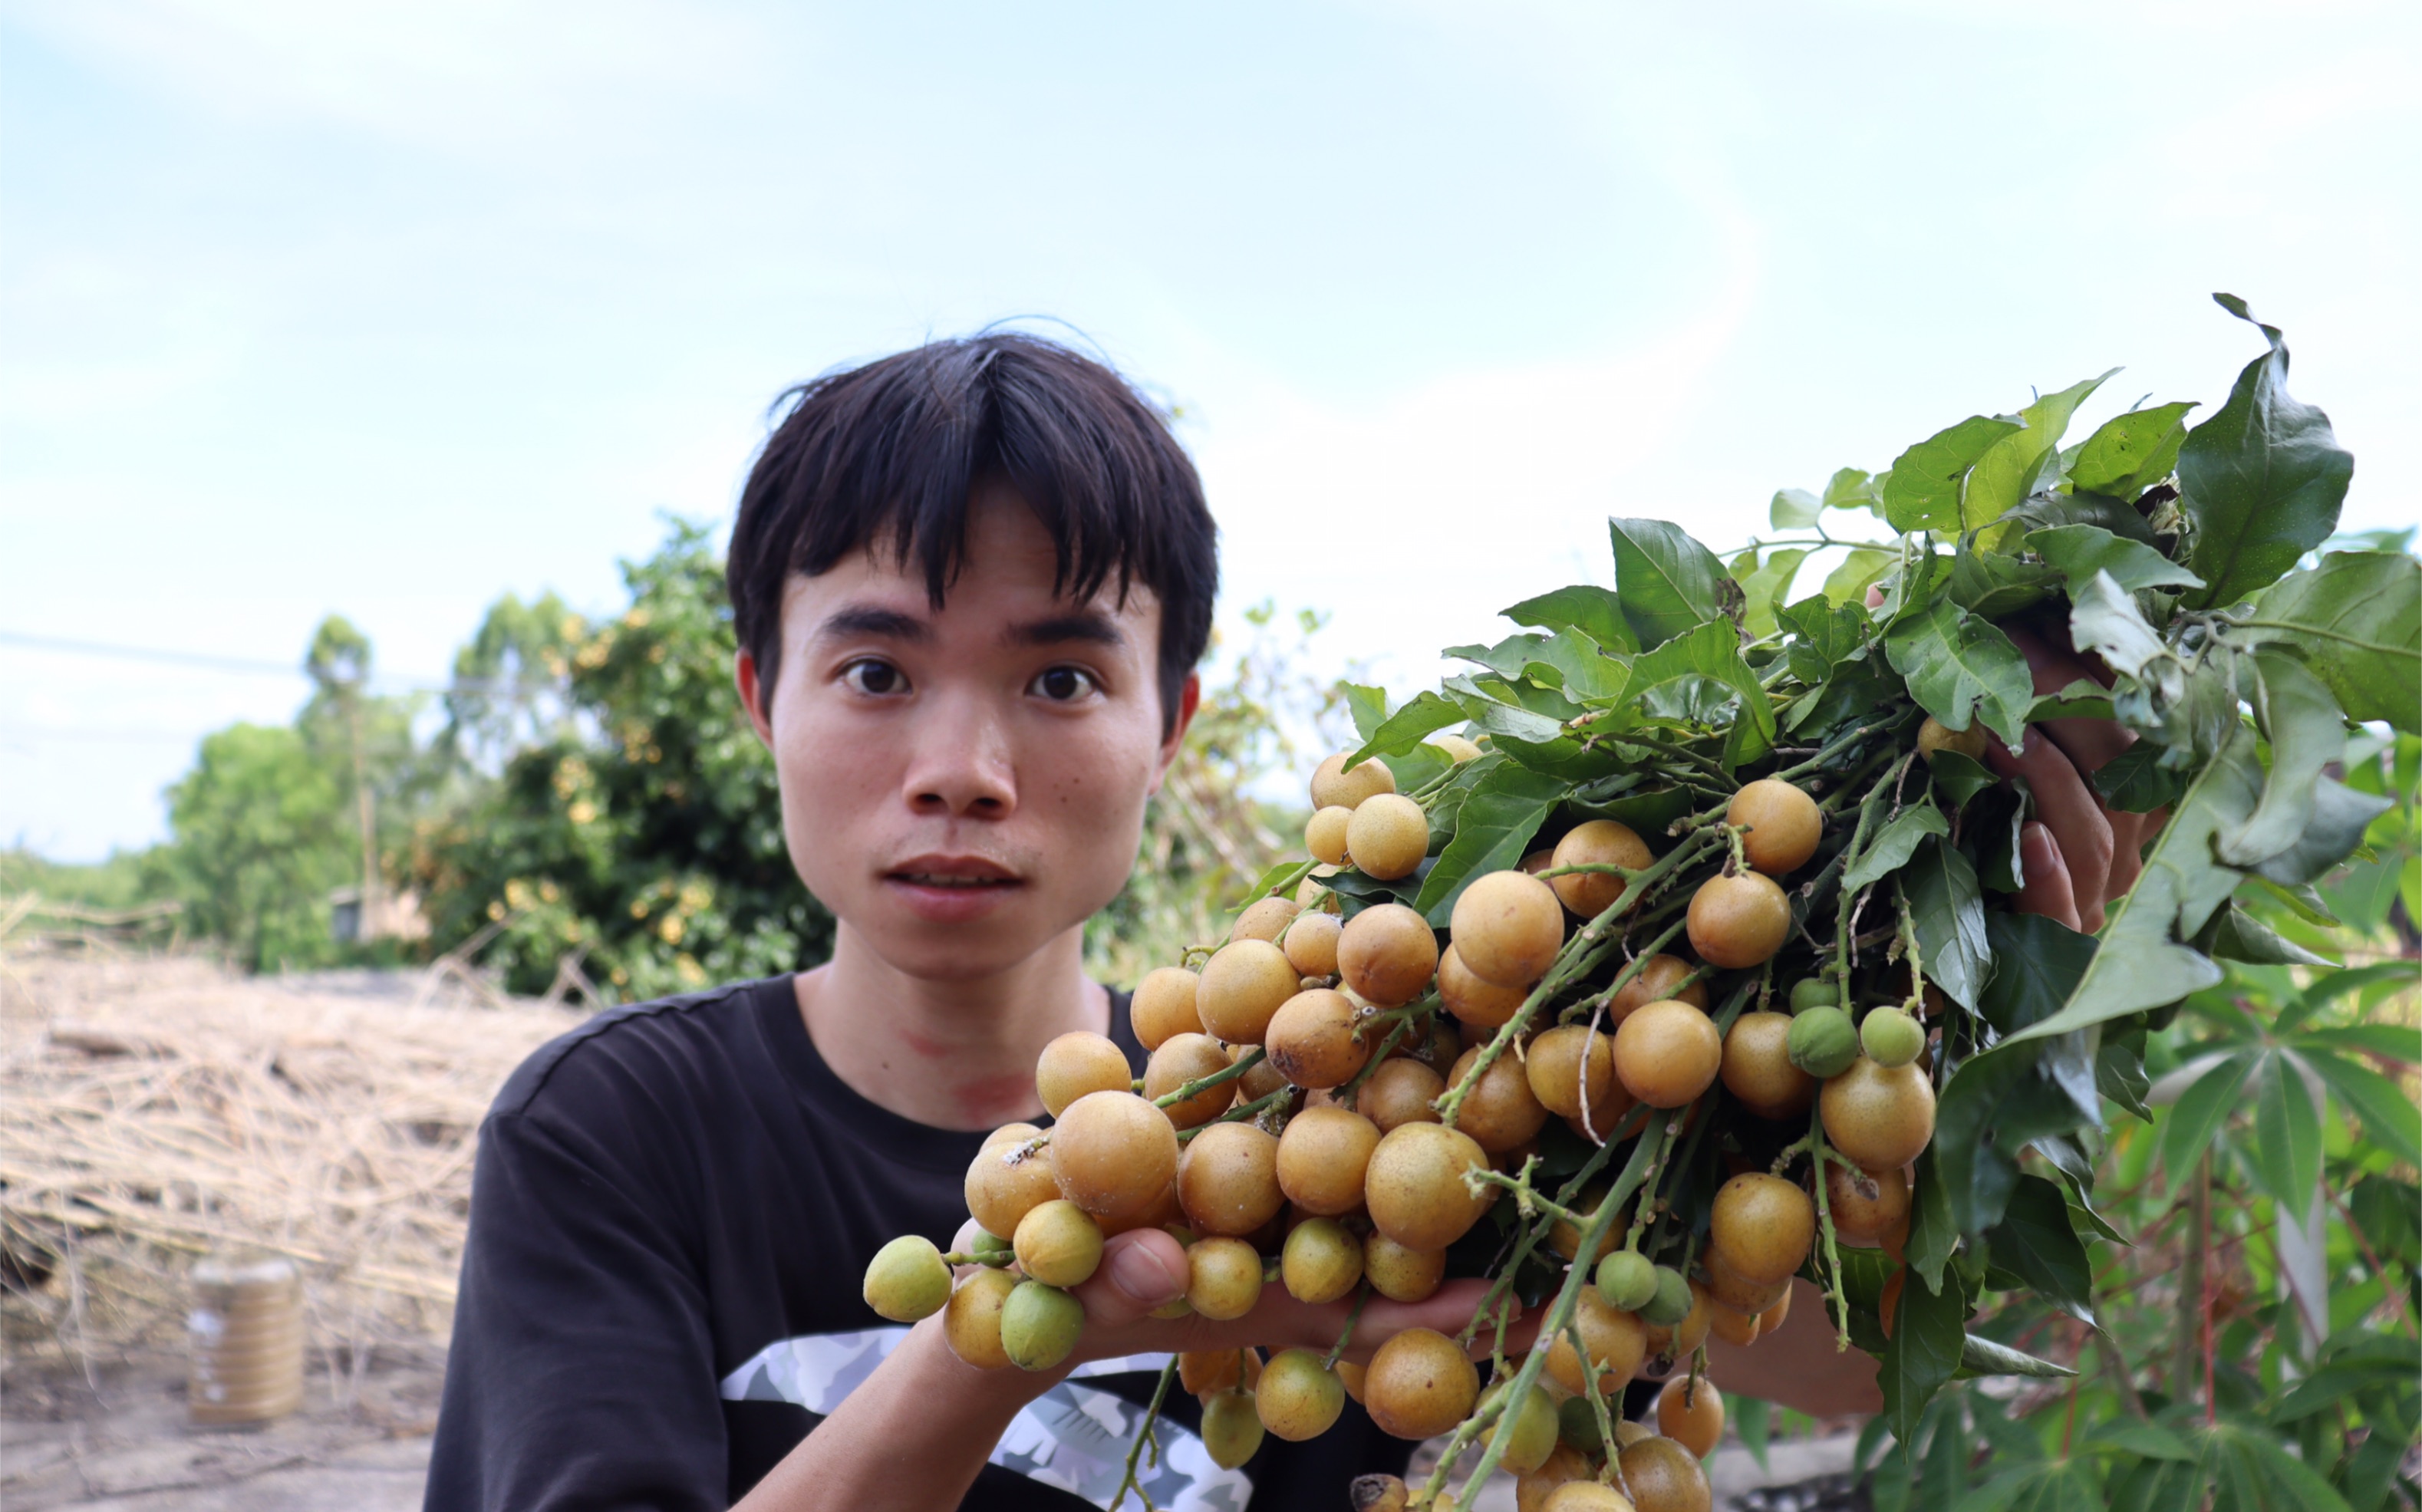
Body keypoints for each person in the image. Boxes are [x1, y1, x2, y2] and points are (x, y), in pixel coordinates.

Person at [424, 332, 2144, 1512]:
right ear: (760, 697)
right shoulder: (616, 1134)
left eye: (1059, 673)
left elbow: (1863, 1373)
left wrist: (1998, 1002)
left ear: (1169, 724)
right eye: (876, 667)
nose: (961, 767)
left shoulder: (1417, 1092)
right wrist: (1012, 1349)